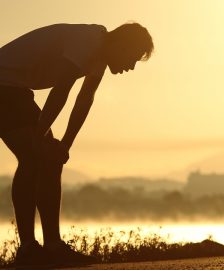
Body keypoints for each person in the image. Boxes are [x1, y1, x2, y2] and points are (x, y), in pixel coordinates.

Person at [0, 22, 154, 267]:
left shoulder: (99, 55)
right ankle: (29, 249)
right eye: (132, 58)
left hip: (15, 90)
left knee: (50, 159)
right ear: (122, 45)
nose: (131, 67)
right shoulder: (88, 41)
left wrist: (65, 146)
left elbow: (84, 100)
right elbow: (62, 90)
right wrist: (39, 138)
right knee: (32, 156)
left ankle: (52, 246)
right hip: (4, 87)